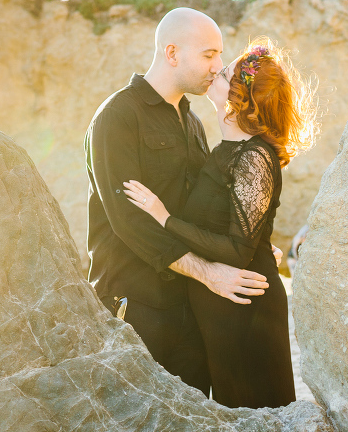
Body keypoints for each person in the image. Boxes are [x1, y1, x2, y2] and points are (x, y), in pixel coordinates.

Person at [123, 37, 319, 409]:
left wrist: (164, 218)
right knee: (233, 414)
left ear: (239, 95)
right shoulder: (225, 149)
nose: (216, 69)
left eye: (225, 70)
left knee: (255, 413)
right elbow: (231, 225)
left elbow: (237, 250)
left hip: (245, 304)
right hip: (220, 304)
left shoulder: (254, 156)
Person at [85, 7, 271, 395]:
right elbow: (128, 222)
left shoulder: (192, 122)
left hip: (188, 308)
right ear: (172, 54)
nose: (218, 66)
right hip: (135, 306)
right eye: (208, 55)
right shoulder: (117, 117)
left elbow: (204, 210)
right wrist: (209, 273)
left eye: (220, 54)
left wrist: (251, 243)